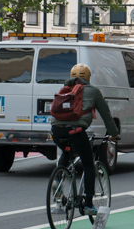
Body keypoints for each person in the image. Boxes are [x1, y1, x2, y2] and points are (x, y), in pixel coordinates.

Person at [51, 64, 120, 215]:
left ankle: (57, 180)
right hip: (76, 131)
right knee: (88, 164)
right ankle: (88, 204)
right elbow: (106, 115)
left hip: (56, 130)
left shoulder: (65, 89)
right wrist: (114, 133)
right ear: (88, 77)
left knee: (66, 152)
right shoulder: (93, 91)